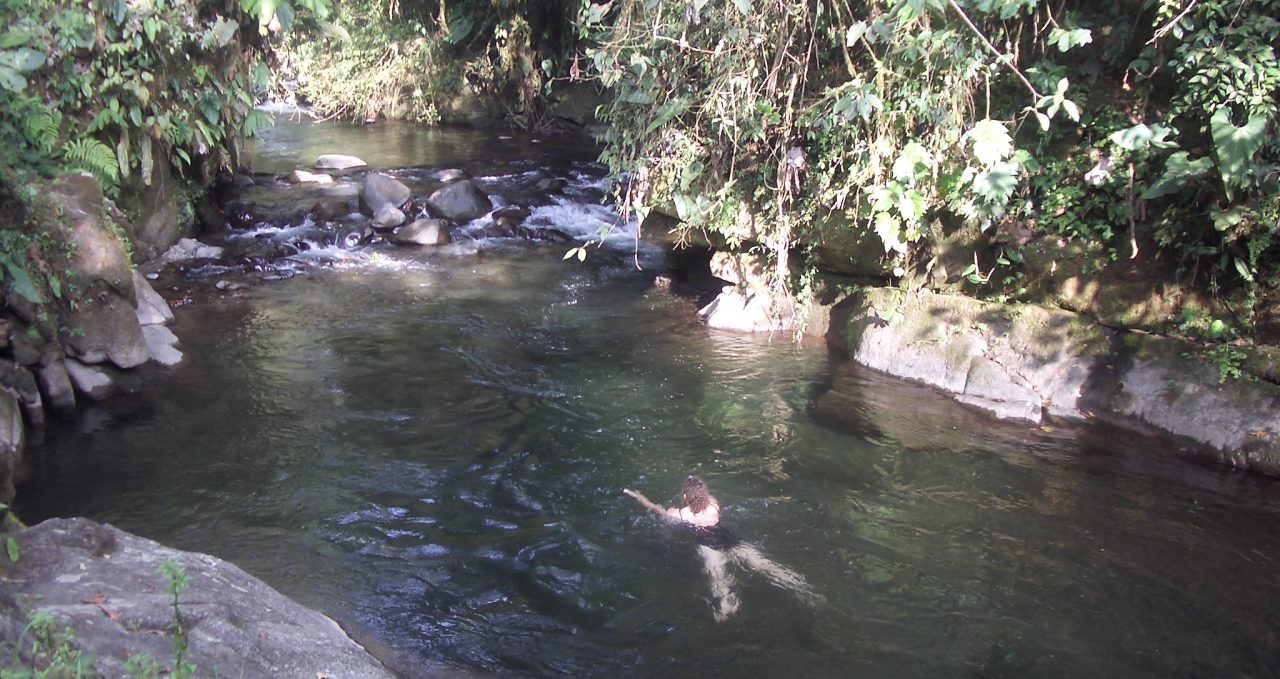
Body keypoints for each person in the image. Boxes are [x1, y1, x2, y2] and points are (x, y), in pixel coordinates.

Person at [624, 475, 821, 622]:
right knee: (766, 565)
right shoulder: (714, 505)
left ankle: (727, 606)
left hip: (709, 547)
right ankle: (802, 588)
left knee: (719, 579)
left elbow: (654, 508)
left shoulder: (679, 515)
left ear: (685, 496)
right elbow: (705, 497)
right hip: (730, 540)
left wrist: (637, 496)